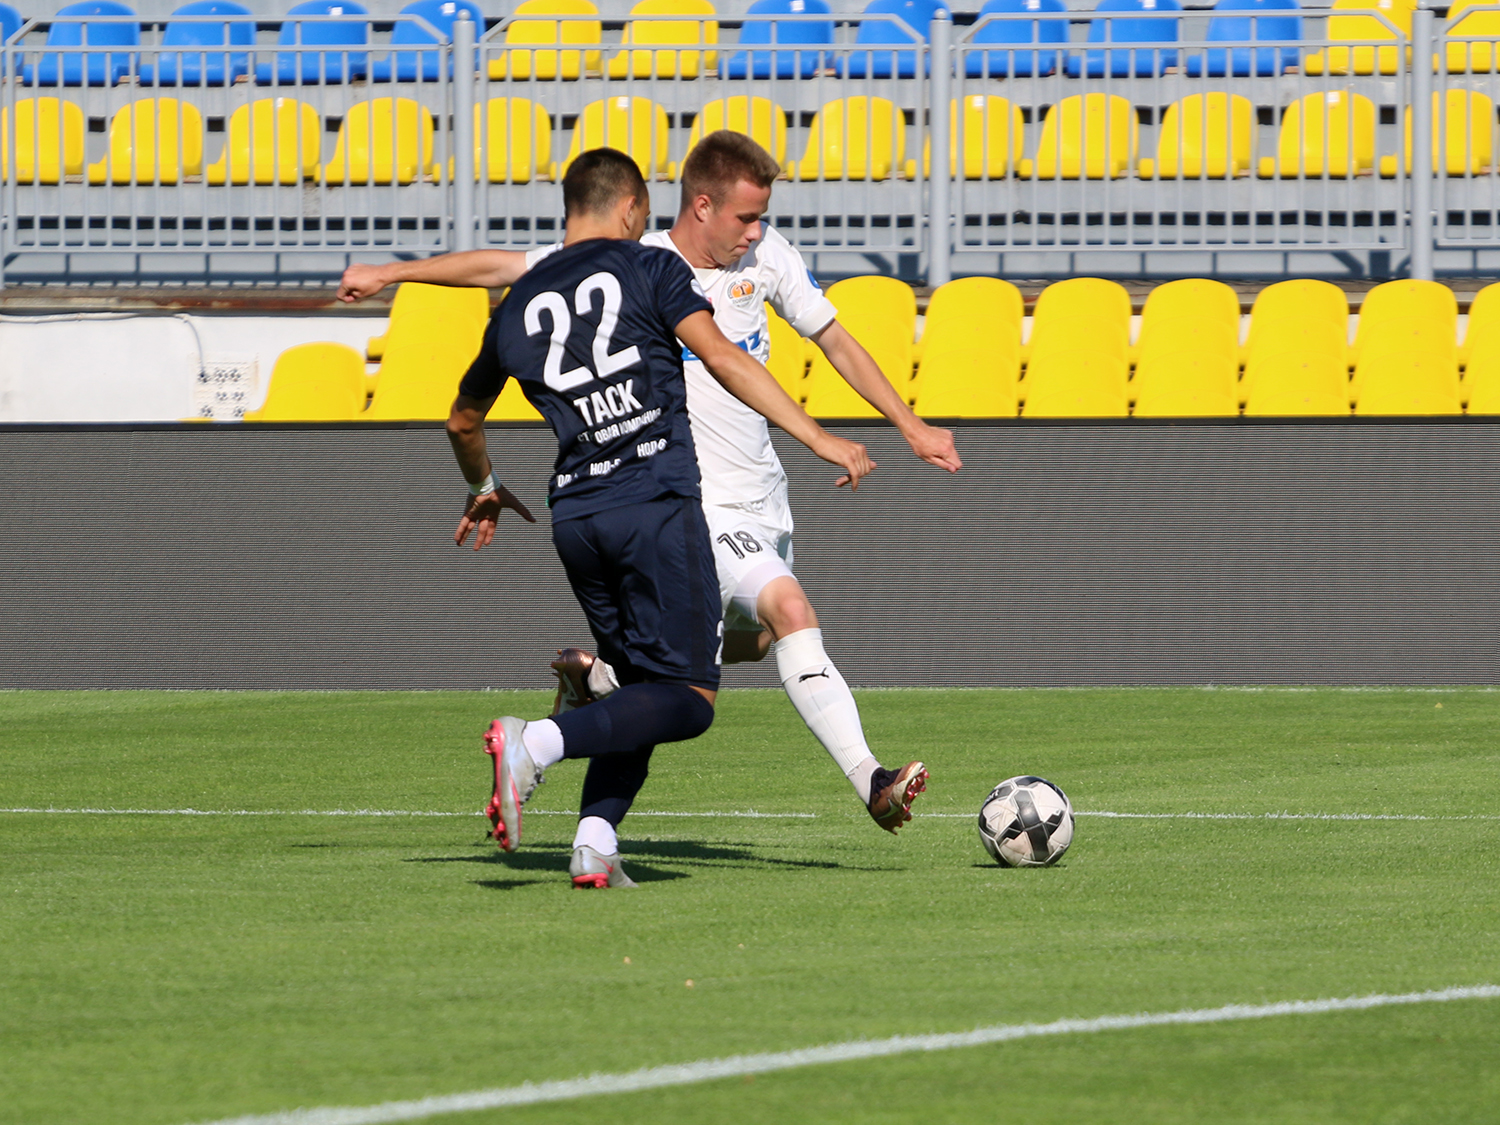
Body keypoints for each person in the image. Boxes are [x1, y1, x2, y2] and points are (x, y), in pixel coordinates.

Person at [340, 131, 960, 834]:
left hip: (763, 495)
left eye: (761, 218)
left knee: (751, 643)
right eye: (745, 217)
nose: (754, 231)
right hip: (692, 501)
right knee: (790, 611)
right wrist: (392, 272)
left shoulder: (769, 255)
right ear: (702, 205)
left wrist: (910, 425)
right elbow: (499, 265)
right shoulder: (638, 262)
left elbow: (835, 339)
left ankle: (603, 688)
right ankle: (872, 779)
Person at [445, 146, 873, 888]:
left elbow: (461, 420)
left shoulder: (518, 305)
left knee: (639, 687)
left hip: (575, 517)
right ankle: (535, 742)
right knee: (688, 700)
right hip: (656, 504)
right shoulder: (652, 267)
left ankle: (594, 843)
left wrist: (484, 483)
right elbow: (727, 359)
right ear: (633, 208)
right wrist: (819, 437)